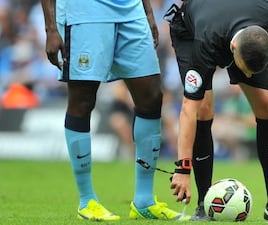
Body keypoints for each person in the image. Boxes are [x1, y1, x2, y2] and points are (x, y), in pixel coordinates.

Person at [41, 0, 190, 221]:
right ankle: (87, 200)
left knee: (152, 96)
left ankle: (144, 201)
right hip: (84, 12)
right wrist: (51, 28)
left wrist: (147, 12)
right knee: (82, 99)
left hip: (130, 10)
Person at [167, 0, 268, 222]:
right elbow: (187, 110)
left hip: (243, 26)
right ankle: (203, 205)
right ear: (233, 49)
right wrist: (182, 169)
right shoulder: (205, 42)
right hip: (193, 32)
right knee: (203, 108)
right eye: (244, 70)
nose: (247, 77)